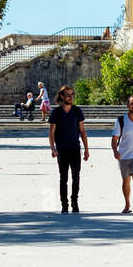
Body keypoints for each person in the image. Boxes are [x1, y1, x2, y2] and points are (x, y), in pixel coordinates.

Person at [48, 85, 89, 213]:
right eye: (67, 95)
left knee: (76, 176)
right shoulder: (56, 112)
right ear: (61, 96)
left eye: (72, 94)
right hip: (62, 149)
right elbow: (52, 132)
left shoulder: (77, 111)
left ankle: (74, 203)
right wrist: (53, 148)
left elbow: (82, 131)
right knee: (63, 177)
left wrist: (86, 149)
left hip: (75, 148)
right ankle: (64, 205)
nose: (70, 97)